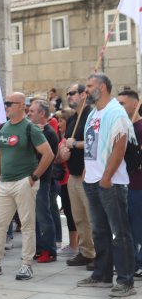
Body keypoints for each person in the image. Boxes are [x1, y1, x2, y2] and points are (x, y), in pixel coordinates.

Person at [0, 92, 54, 280]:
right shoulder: (3, 127)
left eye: (9, 103)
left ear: (21, 105)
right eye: (5, 103)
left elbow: (49, 154)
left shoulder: (30, 128)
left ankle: (26, 265)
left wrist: (33, 178)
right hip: (5, 183)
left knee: (27, 225)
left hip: (23, 182)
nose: (6, 106)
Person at [76, 74, 136, 297]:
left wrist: (107, 176)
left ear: (101, 87)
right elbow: (92, 145)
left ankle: (126, 281)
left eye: (89, 86)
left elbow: (120, 145)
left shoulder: (115, 112)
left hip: (111, 183)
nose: (86, 90)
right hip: (93, 180)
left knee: (120, 233)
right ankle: (102, 275)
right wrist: (87, 170)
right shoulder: (93, 113)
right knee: (99, 231)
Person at [59, 83, 95, 268]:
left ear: (83, 95)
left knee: (92, 217)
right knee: (79, 217)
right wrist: (64, 150)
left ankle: (99, 254)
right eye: (67, 93)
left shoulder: (92, 116)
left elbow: (96, 142)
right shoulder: (73, 118)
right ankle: (86, 252)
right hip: (73, 175)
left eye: (72, 93)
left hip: (87, 174)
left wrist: (74, 144)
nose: (68, 96)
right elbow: (66, 142)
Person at [27, 99, 59, 263]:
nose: (29, 113)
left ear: (42, 113)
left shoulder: (49, 133)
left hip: (42, 179)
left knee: (43, 216)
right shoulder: (33, 130)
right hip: (29, 179)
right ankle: (38, 248)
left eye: (32, 111)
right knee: (33, 217)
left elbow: (45, 156)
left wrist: (35, 176)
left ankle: (49, 250)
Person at [117, 89, 142, 280]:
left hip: (138, 184)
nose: (119, 107)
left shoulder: (140, 127)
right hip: (123, 183)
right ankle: (130, 261)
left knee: (138, 226)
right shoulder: (123, 126)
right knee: (126, 227)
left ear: (135, 104)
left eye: (122, 104)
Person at [53, 109, 78, 256]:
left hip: (69, 180)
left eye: (61, 120)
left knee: (72, 212)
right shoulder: (63, 138)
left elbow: (61, 158)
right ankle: (75, 243)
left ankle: (74, 244)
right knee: (69, 212)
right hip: (64, 181)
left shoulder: (70, 138)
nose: (58, 124)